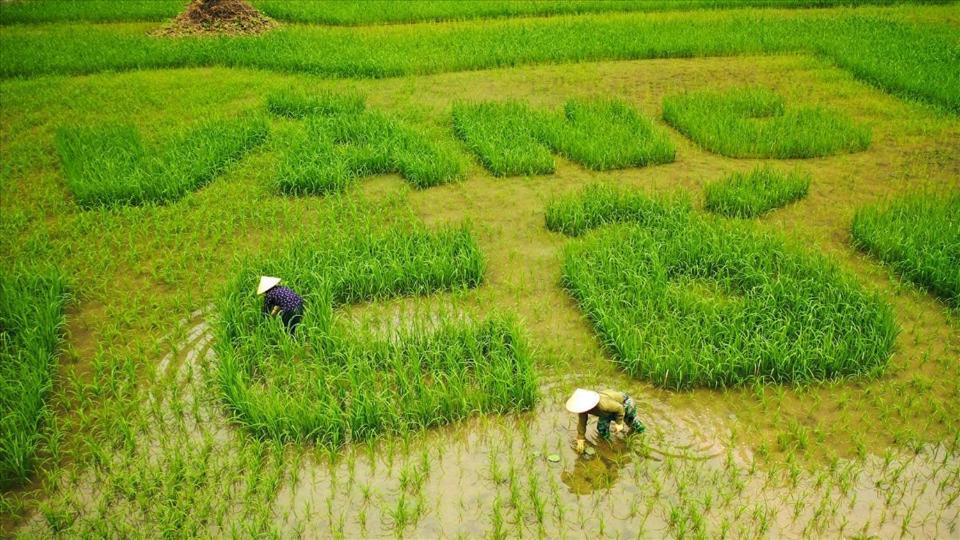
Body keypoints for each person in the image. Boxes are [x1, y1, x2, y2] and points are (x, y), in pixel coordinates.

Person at [566, 388, 645, 454]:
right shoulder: (583, 408)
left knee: (631, 422)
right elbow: (582, 423)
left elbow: (620, 408)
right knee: (602, 428)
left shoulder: (603, 404)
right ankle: (606, 445)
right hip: (606, 411)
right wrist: (580, 438)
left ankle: (641, 433)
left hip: (624, 403)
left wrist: (619, 423)